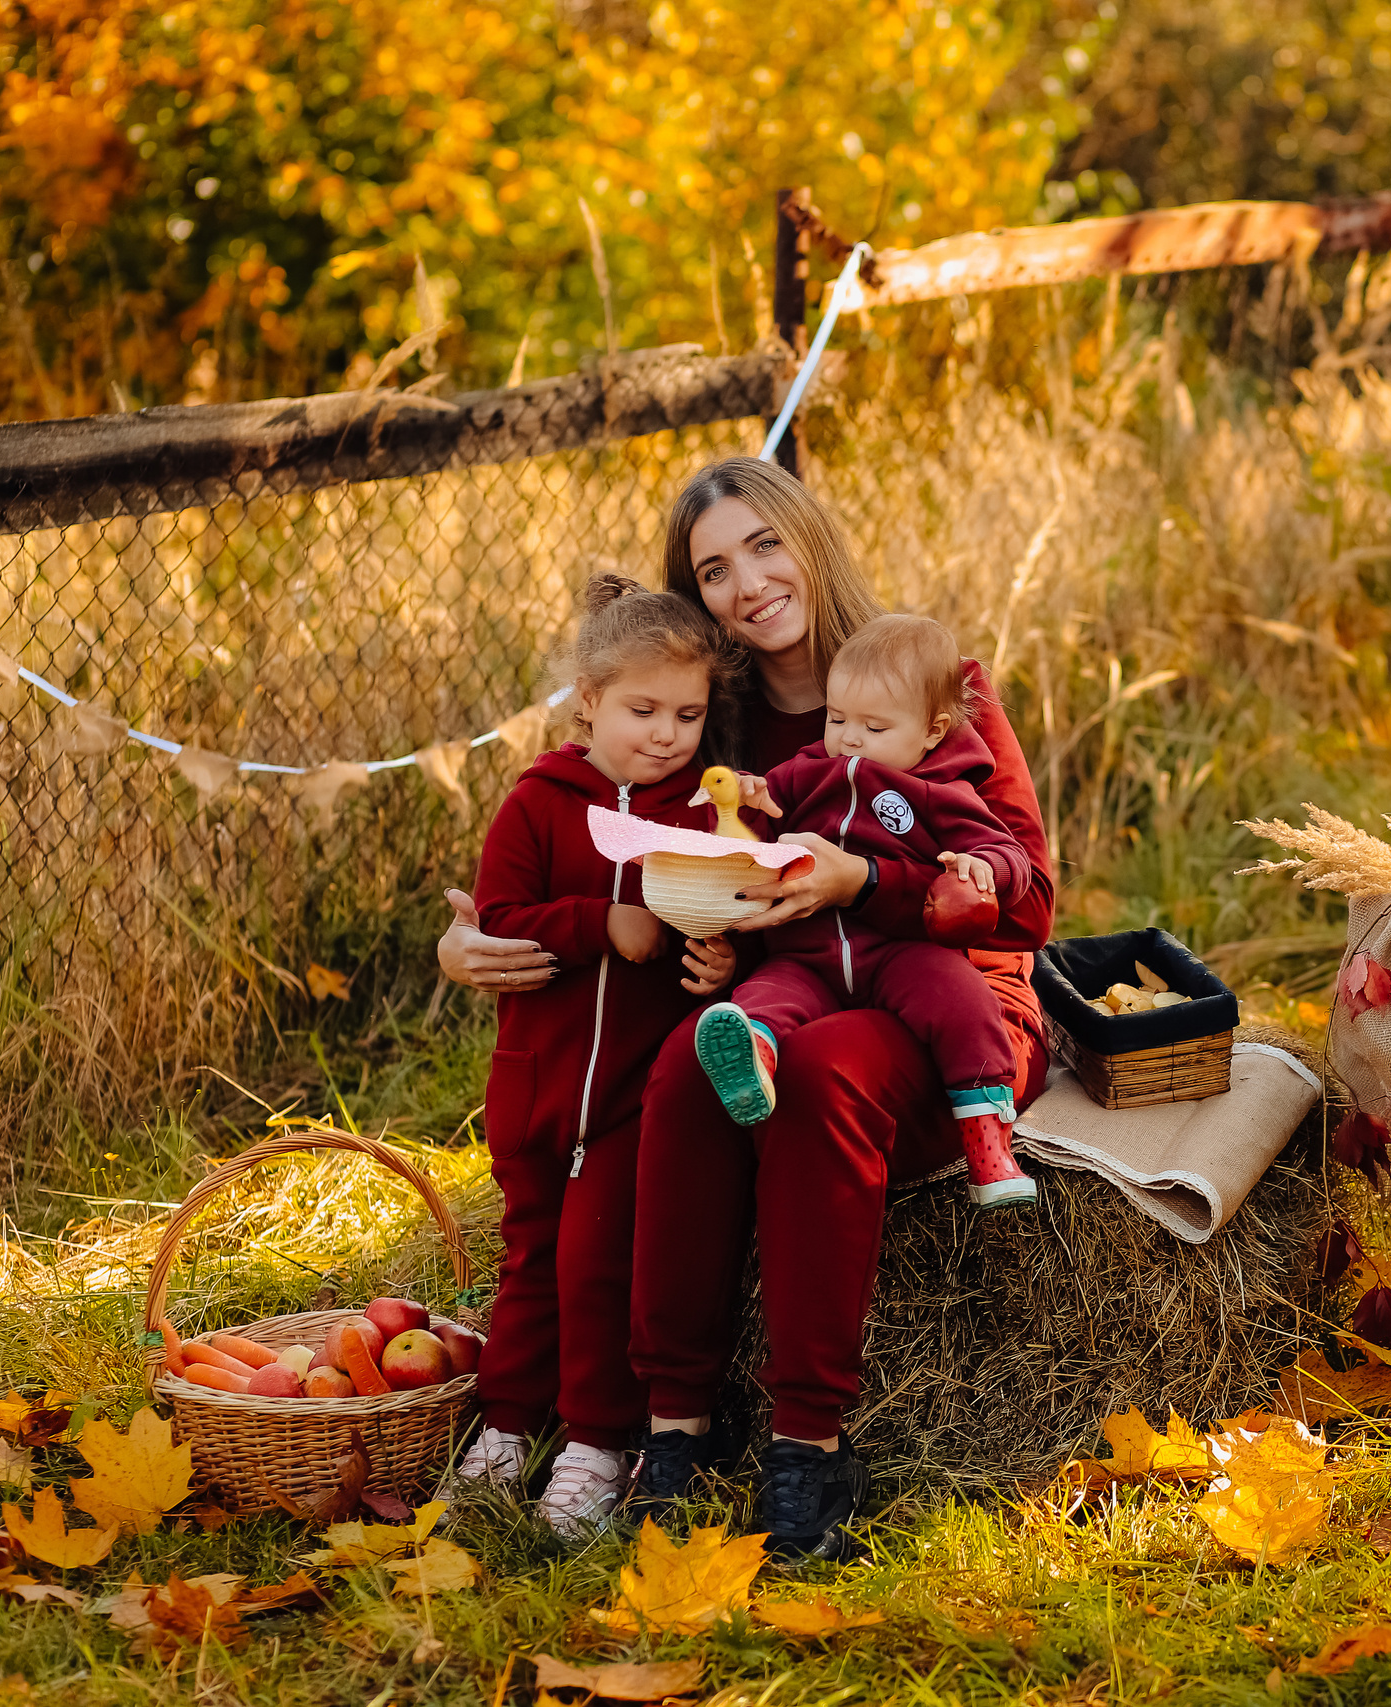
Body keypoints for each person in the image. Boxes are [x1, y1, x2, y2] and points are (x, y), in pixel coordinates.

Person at [437, 456, 1053, 1559]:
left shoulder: (930, 683)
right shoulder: (703, 731)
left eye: (764, 544)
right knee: (686, 1065)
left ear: (808, 536)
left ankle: (807, 1454)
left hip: (941, 1004)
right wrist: (479, 930)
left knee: (817, 1077)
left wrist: (865, 882)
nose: (748, 582)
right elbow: (580, 826)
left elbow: (1030, 903)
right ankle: (667, 1432)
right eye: (713, 569)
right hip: (787, 990)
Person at [453, 574, 742, 1536]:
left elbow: (724, 910)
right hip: (535, 1082)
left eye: (688, 714)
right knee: (530, 1254)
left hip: (629, 1093)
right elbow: (500, 913)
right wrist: (598, 920)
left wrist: (712, 960)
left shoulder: (700, 817)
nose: (666, 733)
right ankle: (504, 1425)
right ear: (588, 702)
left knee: (595, 1260)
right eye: (643, 709)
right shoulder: (540, 802)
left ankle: (595, 1442)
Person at [696, 613, 1038, 1210]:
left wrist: (986, 868)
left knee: (963, 1003)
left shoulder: (936, 790)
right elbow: (751, 831)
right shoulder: (804, 773)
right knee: (763, 998)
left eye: (875, 726)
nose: (850, 738)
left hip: (901, 952)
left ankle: (988, 1143)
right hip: (807, 955)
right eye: (837, 719)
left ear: (931, 732)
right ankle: (754, 1057)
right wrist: (744, 800)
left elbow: (1006, 851)